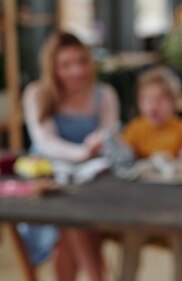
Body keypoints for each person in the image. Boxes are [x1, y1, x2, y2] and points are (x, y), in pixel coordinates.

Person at [22, 31, 120, 281]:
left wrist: (99, 143)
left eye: (81, 61)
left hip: (92, 181)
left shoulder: (105, 94)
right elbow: (46, 143)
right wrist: (83, 152)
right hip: (49, 178)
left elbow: (109, 133)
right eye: (66, 64)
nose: (77, 70)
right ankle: (96, 277)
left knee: (80, 223)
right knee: (71, 221)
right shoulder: (37, 95)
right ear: (53, 69)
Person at [122, 66, 182, 158]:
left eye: (161, 99)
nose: (153, 106)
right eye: (147, 99)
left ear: (173, 100)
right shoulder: (134, 129)